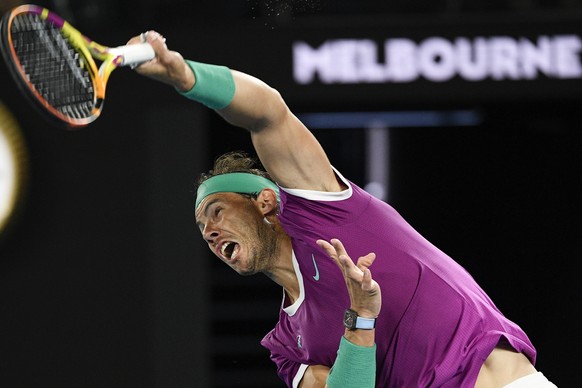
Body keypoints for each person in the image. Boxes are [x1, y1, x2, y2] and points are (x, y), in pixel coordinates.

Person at [128, 31, 558, 387]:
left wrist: (186, 77)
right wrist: (361, 317)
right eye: (203, 226)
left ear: (265, 202)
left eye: (217, 211)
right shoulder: (286, 346)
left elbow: (268, 115)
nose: (208, 231)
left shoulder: (323, 209)